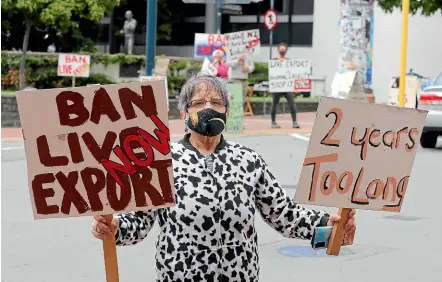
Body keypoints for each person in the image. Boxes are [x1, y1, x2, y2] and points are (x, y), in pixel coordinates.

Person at [91, 74, 357, 282]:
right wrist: (113, 228)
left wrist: (332, 229)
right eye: (198, 103)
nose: (209, 108)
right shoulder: (162, 162)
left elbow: (285, 216)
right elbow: (138, 222)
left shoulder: (248, 160)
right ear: (184, 114)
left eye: (217, 102)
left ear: (227, 112)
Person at [270, 42, 300, 129]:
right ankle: (273, 122)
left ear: (286, 51)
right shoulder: (274, 61)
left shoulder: (289, 61)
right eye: (281, 50)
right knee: (274, 104)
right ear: (278, 50)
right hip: (277, 86)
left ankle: (294, 122)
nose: (282, 52)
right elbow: (272, 74)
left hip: (287, 87)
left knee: (292, 104)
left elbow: (293, 74)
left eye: (284, 50)